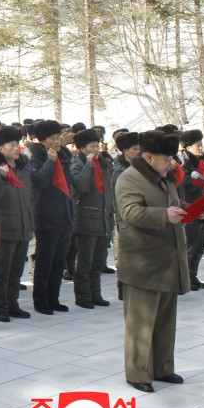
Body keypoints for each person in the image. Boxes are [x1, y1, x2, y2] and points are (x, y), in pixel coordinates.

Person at [116, 130, 189, 393]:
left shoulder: (164, 179)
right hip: (143, 261)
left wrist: (189, 213)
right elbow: (130, 212)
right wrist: (164, 214)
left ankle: (162, 368)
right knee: (141, 322)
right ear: (148, 156)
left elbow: (171, 209)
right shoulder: (130, 178)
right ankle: (137, 372)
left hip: (167, 260)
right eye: (166, 158)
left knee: (165, 320)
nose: (172, 162)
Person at [0, 126, 34, 322]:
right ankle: (0, 307)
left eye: (17, 144)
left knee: (16, 271)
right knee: (1, 270)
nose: (17, 148)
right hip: (4, 226)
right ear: (0, 149)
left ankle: (12, 303)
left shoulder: (23, 167)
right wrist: (2, 178)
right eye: (12, 145)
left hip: (23, 224)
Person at [28, 120, 74, 315]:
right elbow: (38, 182)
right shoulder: (36, 158)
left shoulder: (65, 156)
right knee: (45, 262)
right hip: (46, 215)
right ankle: (41, 300)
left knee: (58, 262)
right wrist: (50, 161)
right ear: (43, 141)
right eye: (52, 139)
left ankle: (54, 298)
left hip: (64, 214)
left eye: (58, 138)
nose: (57, 142)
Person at [71, 128, 114, 309]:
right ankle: (83, 296)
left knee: (98, 262)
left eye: (98, 146)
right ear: (82, 148)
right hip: (86, 219)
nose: (96, 149)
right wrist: (89, 165)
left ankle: (95, 294)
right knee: (85, 262)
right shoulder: (77, 164)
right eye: (92, 146)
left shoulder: (103, 164)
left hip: (103, 219)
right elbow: (81, 185)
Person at [177, 129, 204, 291]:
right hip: (191, 206)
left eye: (201, 144)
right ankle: (186, 278)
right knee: (190, 246)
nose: (201, 148)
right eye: (198, 145)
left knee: (199, 246)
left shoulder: (203, 161)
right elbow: (186, 182)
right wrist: (200, 177)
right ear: (188, 147)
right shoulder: (185, 163)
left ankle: (194, 275)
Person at [112, 131, 140, 301]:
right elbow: (118, 199)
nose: (138, 151)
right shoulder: (119, 171)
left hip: (137, 217)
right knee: (125, 257)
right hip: (125, 219)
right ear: (124, 151)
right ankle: (123, 289)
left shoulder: (139, 168)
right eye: (135, 149)